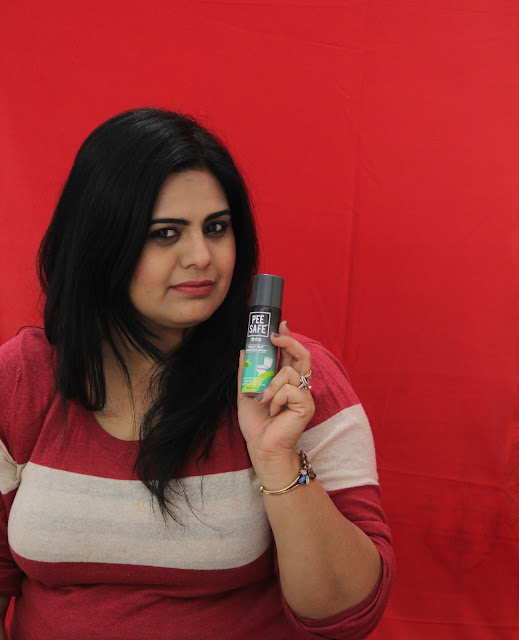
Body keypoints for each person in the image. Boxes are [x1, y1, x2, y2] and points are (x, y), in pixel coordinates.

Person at [0, 108, 394, 639]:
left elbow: (346, 615)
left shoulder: (294, 380)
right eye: (166, 233)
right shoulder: (21, 379)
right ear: (100, 242)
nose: (201, 257)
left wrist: (276, 458)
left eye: (216, 228)